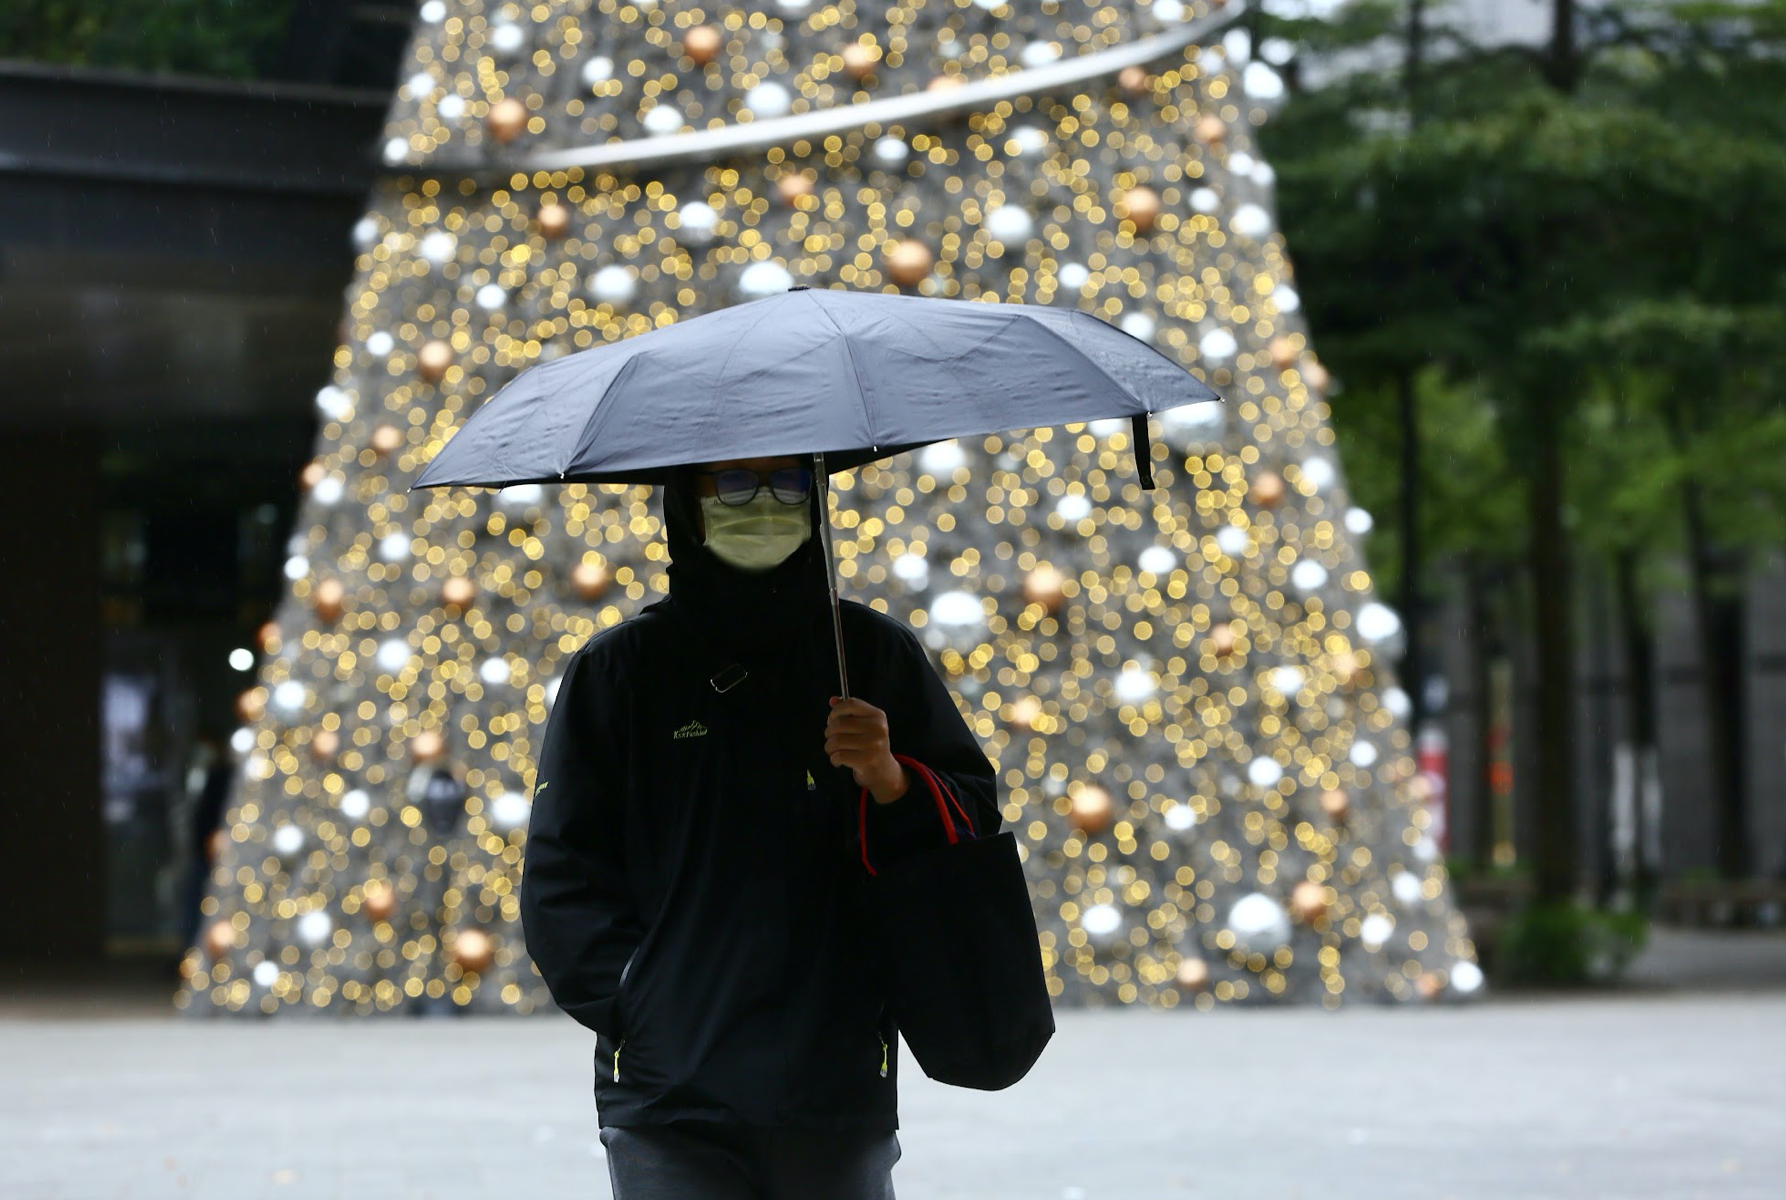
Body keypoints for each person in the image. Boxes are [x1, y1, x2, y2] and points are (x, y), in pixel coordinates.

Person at [520, 453, 1000, 1199]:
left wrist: (893, 778)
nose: (766, 503)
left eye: (789, 482)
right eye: (736, 484)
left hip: (834, 1077)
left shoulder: (871, 656)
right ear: (689, 499)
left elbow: (971, 823)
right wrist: (638, 1000)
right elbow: (563, 872)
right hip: (671, 1097)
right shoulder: (622, 670)